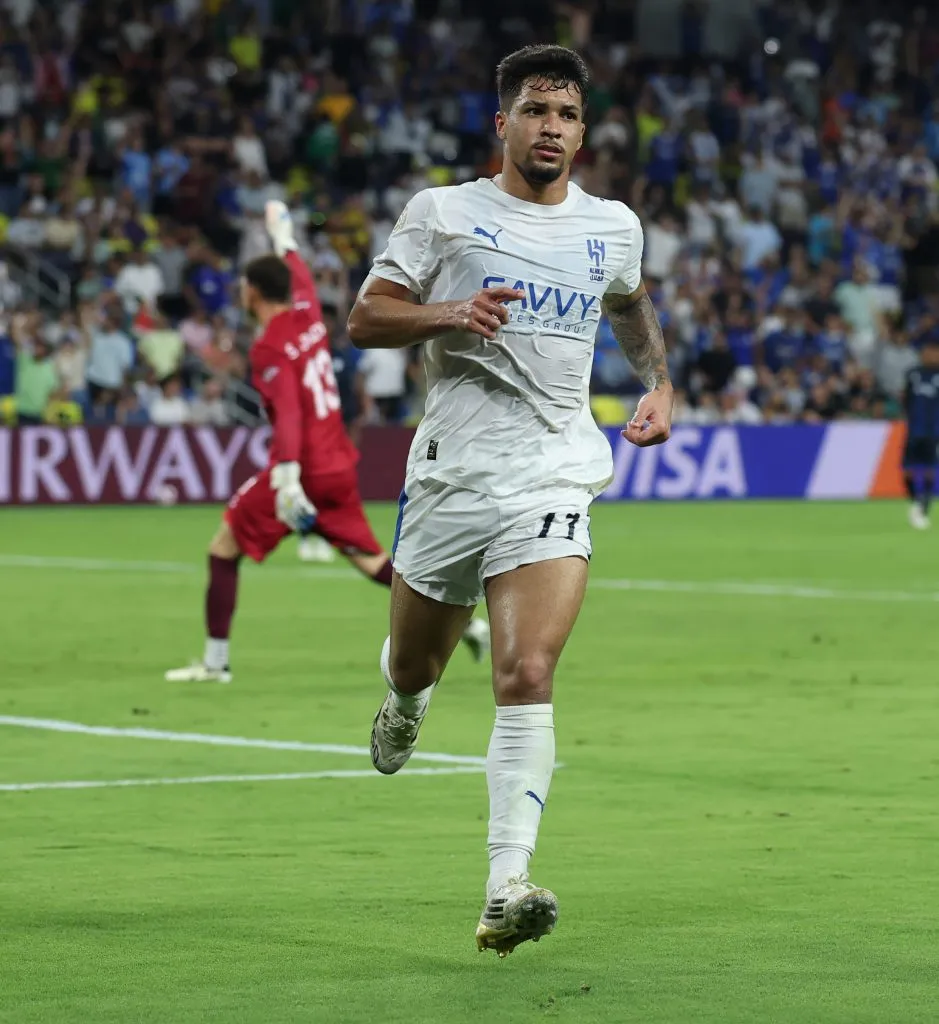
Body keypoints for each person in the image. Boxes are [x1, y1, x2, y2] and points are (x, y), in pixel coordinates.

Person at [347, 45, 672, 958]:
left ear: (582, 130)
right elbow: (366, 318)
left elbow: (629, 302)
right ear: (503, 124)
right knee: (416, 664)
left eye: (566, 115)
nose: (551, 129)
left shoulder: (611, 225)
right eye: (535, 111)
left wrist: (657, 381)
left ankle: (506, 884)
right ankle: (402, 701)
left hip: (553, 472)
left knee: (526, 671)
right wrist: (449, 313)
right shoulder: (443, 213)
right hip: (450, 477)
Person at [166, 202, 489, 685]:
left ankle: (215, 664)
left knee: (223, 548)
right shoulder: (308, 309)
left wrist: (287, 479)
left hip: (305, 468)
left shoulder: (269, 346)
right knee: (372, 560)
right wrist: (281, 231)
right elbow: (295, 263)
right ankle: (466, 624)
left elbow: (289, 414)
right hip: (337, 463)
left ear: (252, 292)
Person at [902, 340, 939, 530]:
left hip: (934, 431)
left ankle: (924, 507)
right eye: (928, 351)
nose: (931, 355)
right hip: (914, 430)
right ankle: (916, 501)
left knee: (930, 470)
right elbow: (906, 399)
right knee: (907, 470)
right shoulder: (913, 374)